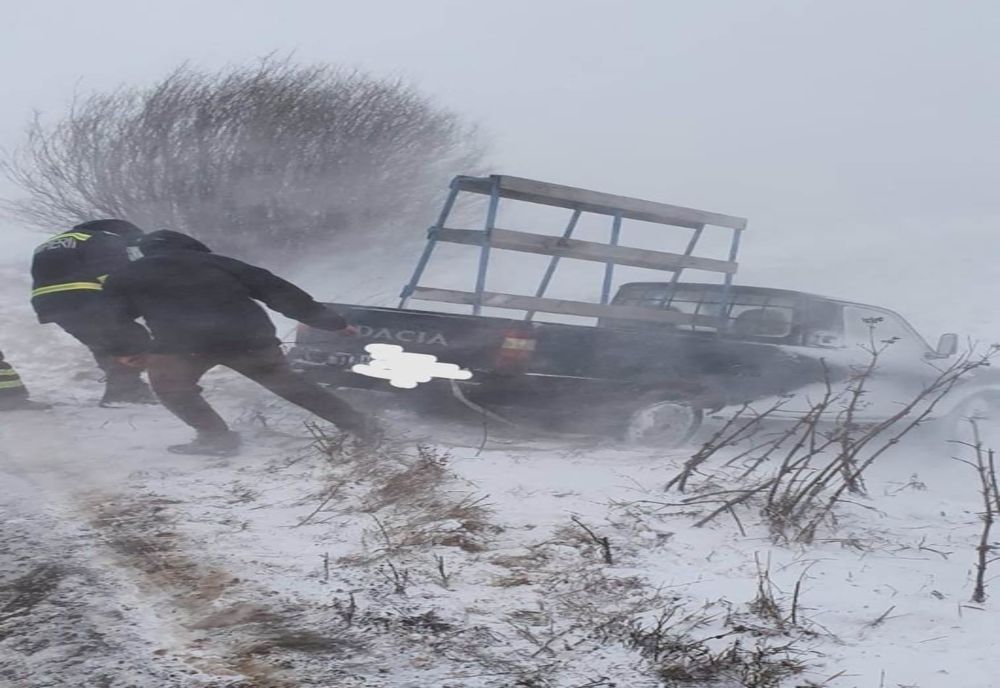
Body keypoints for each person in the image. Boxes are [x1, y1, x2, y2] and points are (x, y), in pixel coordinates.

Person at [102, 229, 377, 456]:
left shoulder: (127, 275)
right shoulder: (222, 263)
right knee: (291, 385)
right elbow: (279, 291)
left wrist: (127, 349)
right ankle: (360, 425)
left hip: (181, 345)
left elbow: (113, 317)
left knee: (171, 388)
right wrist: (333, 323)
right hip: (248, 338)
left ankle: (215, 438)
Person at [30, 219, 156, 405]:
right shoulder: (101, 239)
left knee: (103, 343)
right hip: (86, 298)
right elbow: (114, 275)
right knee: (134, 339)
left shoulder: (48, 245)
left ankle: (129, 388)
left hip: (49, 304)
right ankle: (124, 392)